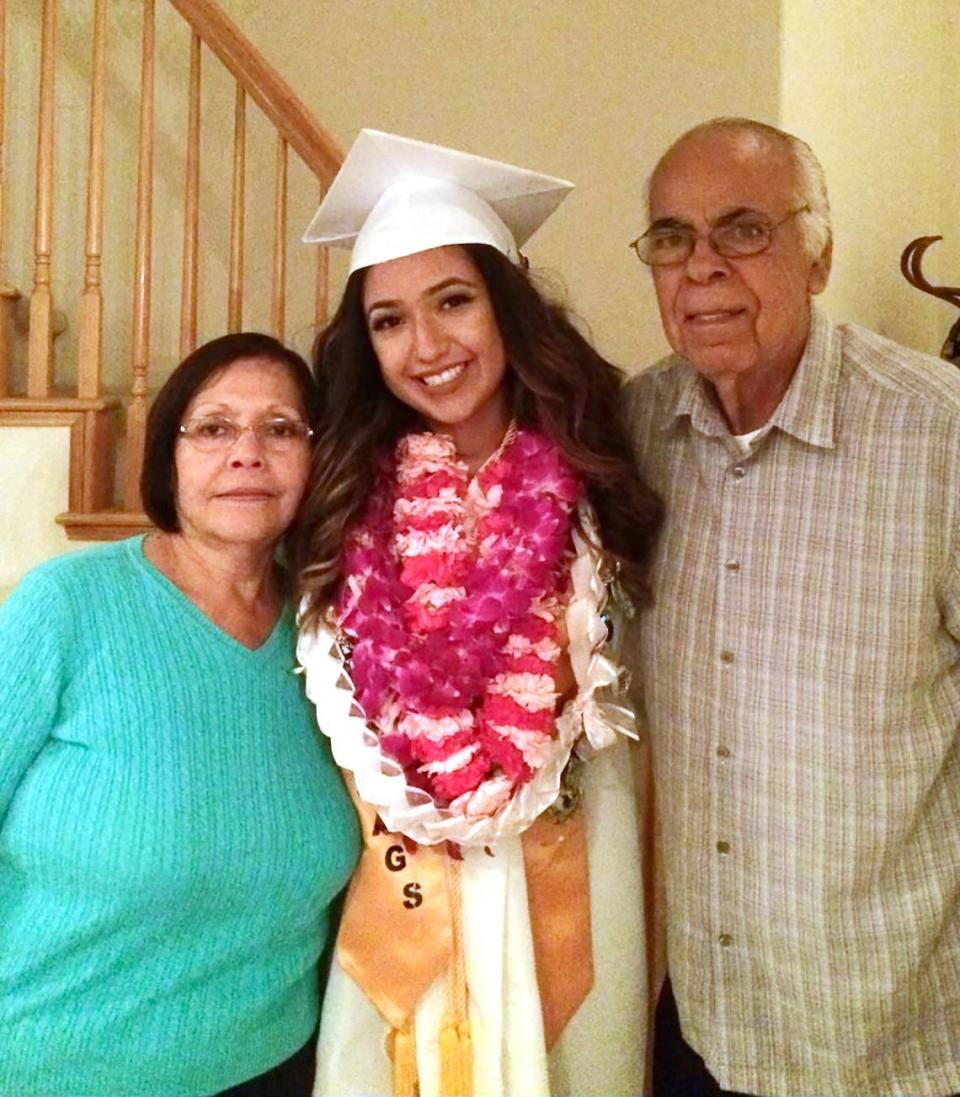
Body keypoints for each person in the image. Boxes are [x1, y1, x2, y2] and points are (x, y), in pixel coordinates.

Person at [294, 129, 662, 1096]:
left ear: (506, 306)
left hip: (574, 852)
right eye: (388, 320)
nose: (426, 347)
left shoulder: (597, 474)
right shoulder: (341, 499)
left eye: (453, 301)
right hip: (401, 872)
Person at [627, 116, 960, 1097]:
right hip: (705, 1024)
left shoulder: (938, 437)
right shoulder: (637, 432)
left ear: (819, 254)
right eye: (671, 238)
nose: (701, 269)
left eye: (743, 230)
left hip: (887, 1045)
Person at [0, 331, 360, 1096]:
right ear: (169, 454)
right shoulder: (65, 605)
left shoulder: (334, 630)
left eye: (281, 428)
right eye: (215, 427)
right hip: (55, 1069)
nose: (248, 452)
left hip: (277, 1068)